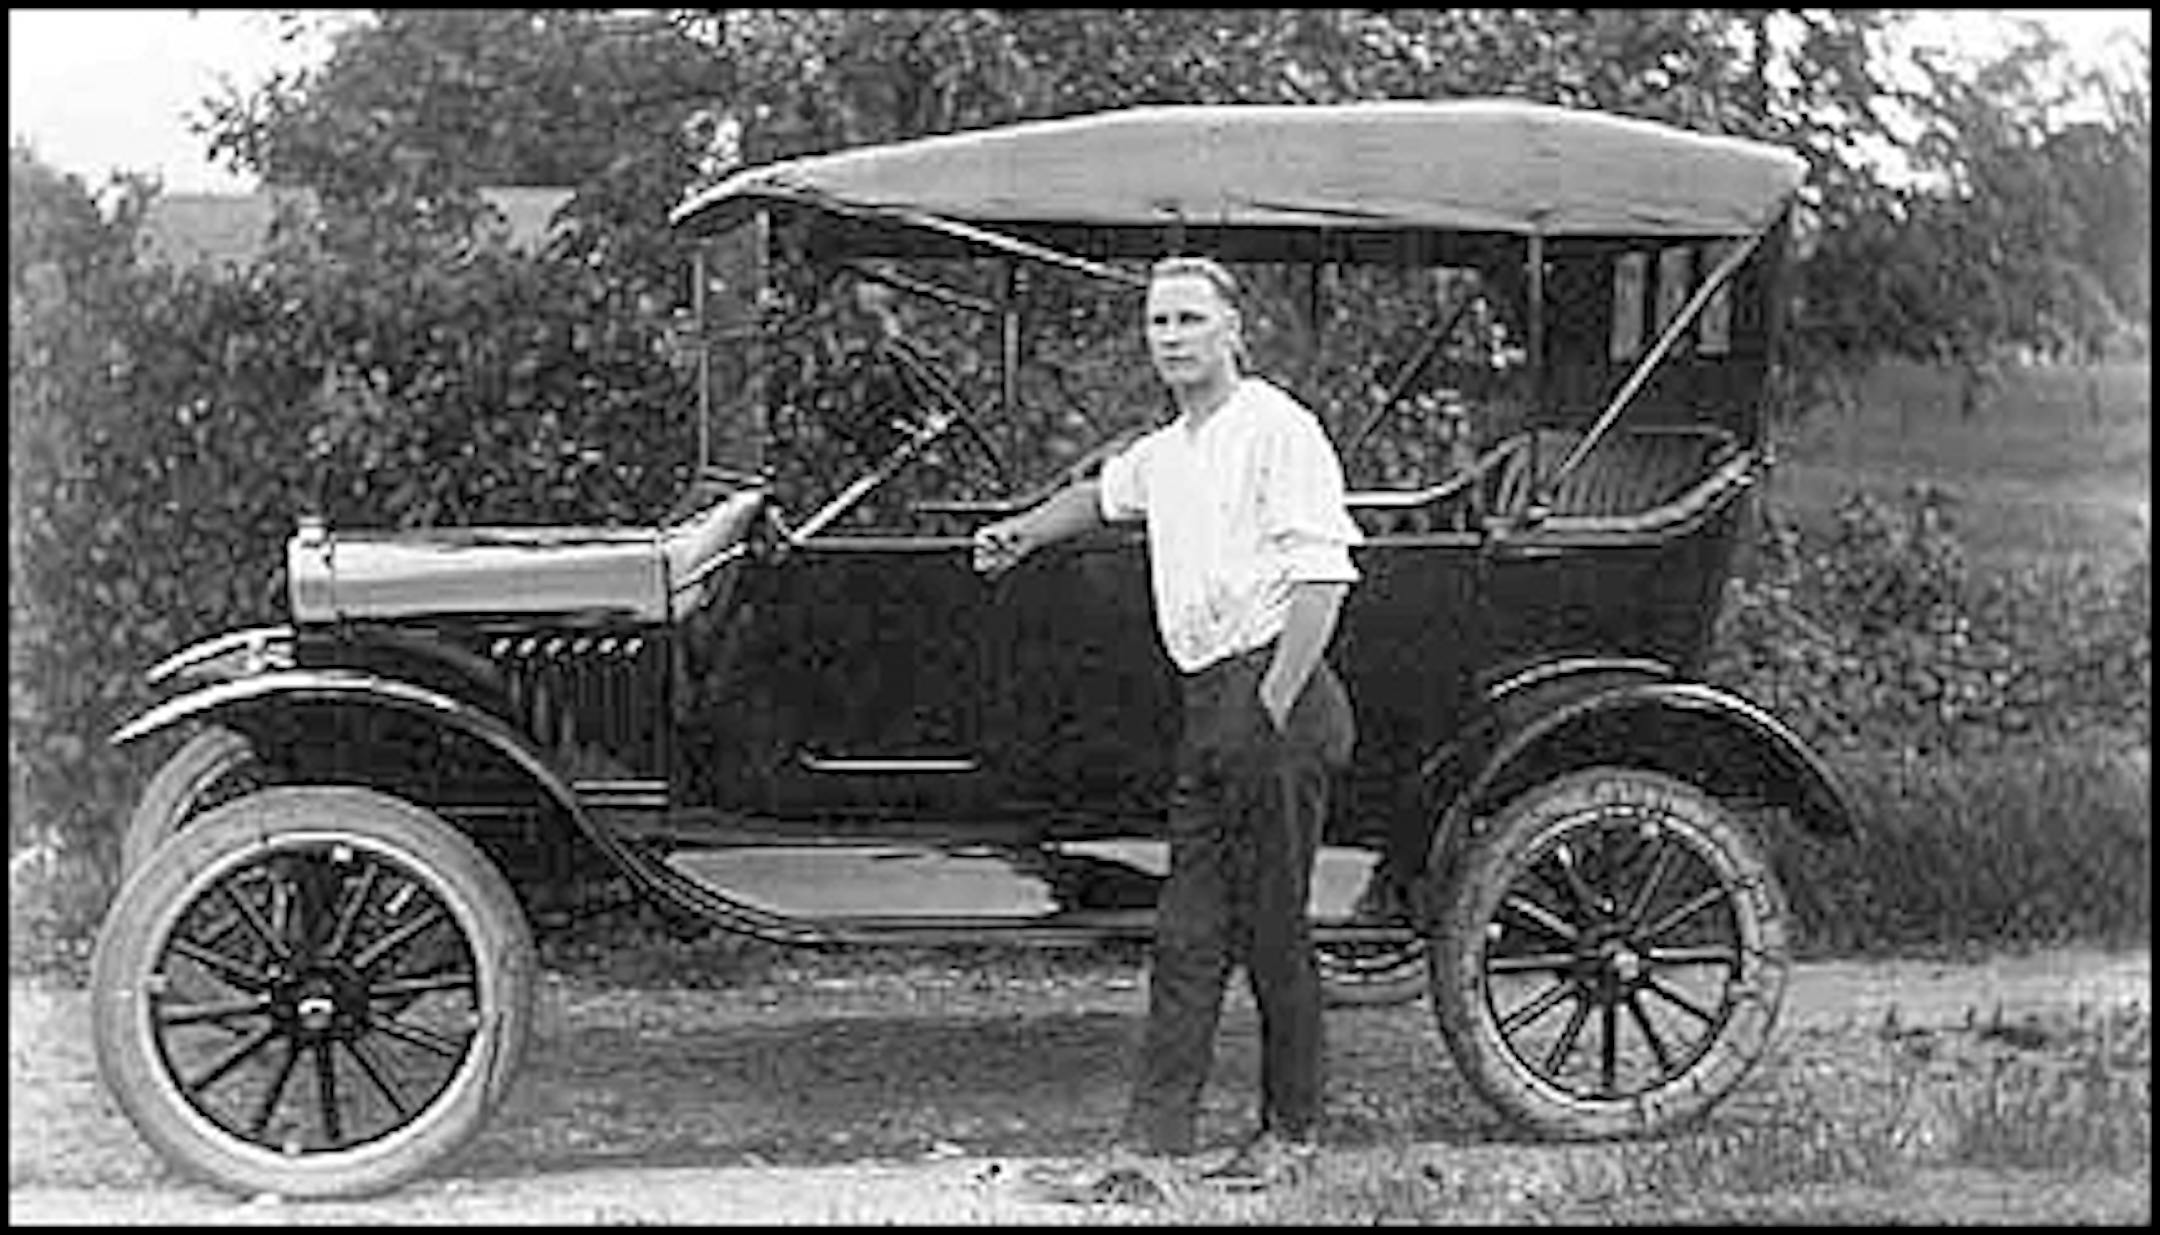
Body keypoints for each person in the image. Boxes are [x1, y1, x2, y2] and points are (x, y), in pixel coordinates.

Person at [973, 255, 1362, 1198]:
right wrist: (1023, 530)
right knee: (1187, 934)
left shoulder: (1278, 429)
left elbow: (1323, 578)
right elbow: (1104, 494)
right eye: (1159, 323)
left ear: (1234, 329)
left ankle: (1292, 1134)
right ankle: (1151, 1150)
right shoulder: (1170, 449)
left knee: (1274, 930)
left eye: (1191, 318)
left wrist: (1269, 706)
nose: (1174, 337)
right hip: (1208, 707)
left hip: (1278, 695)